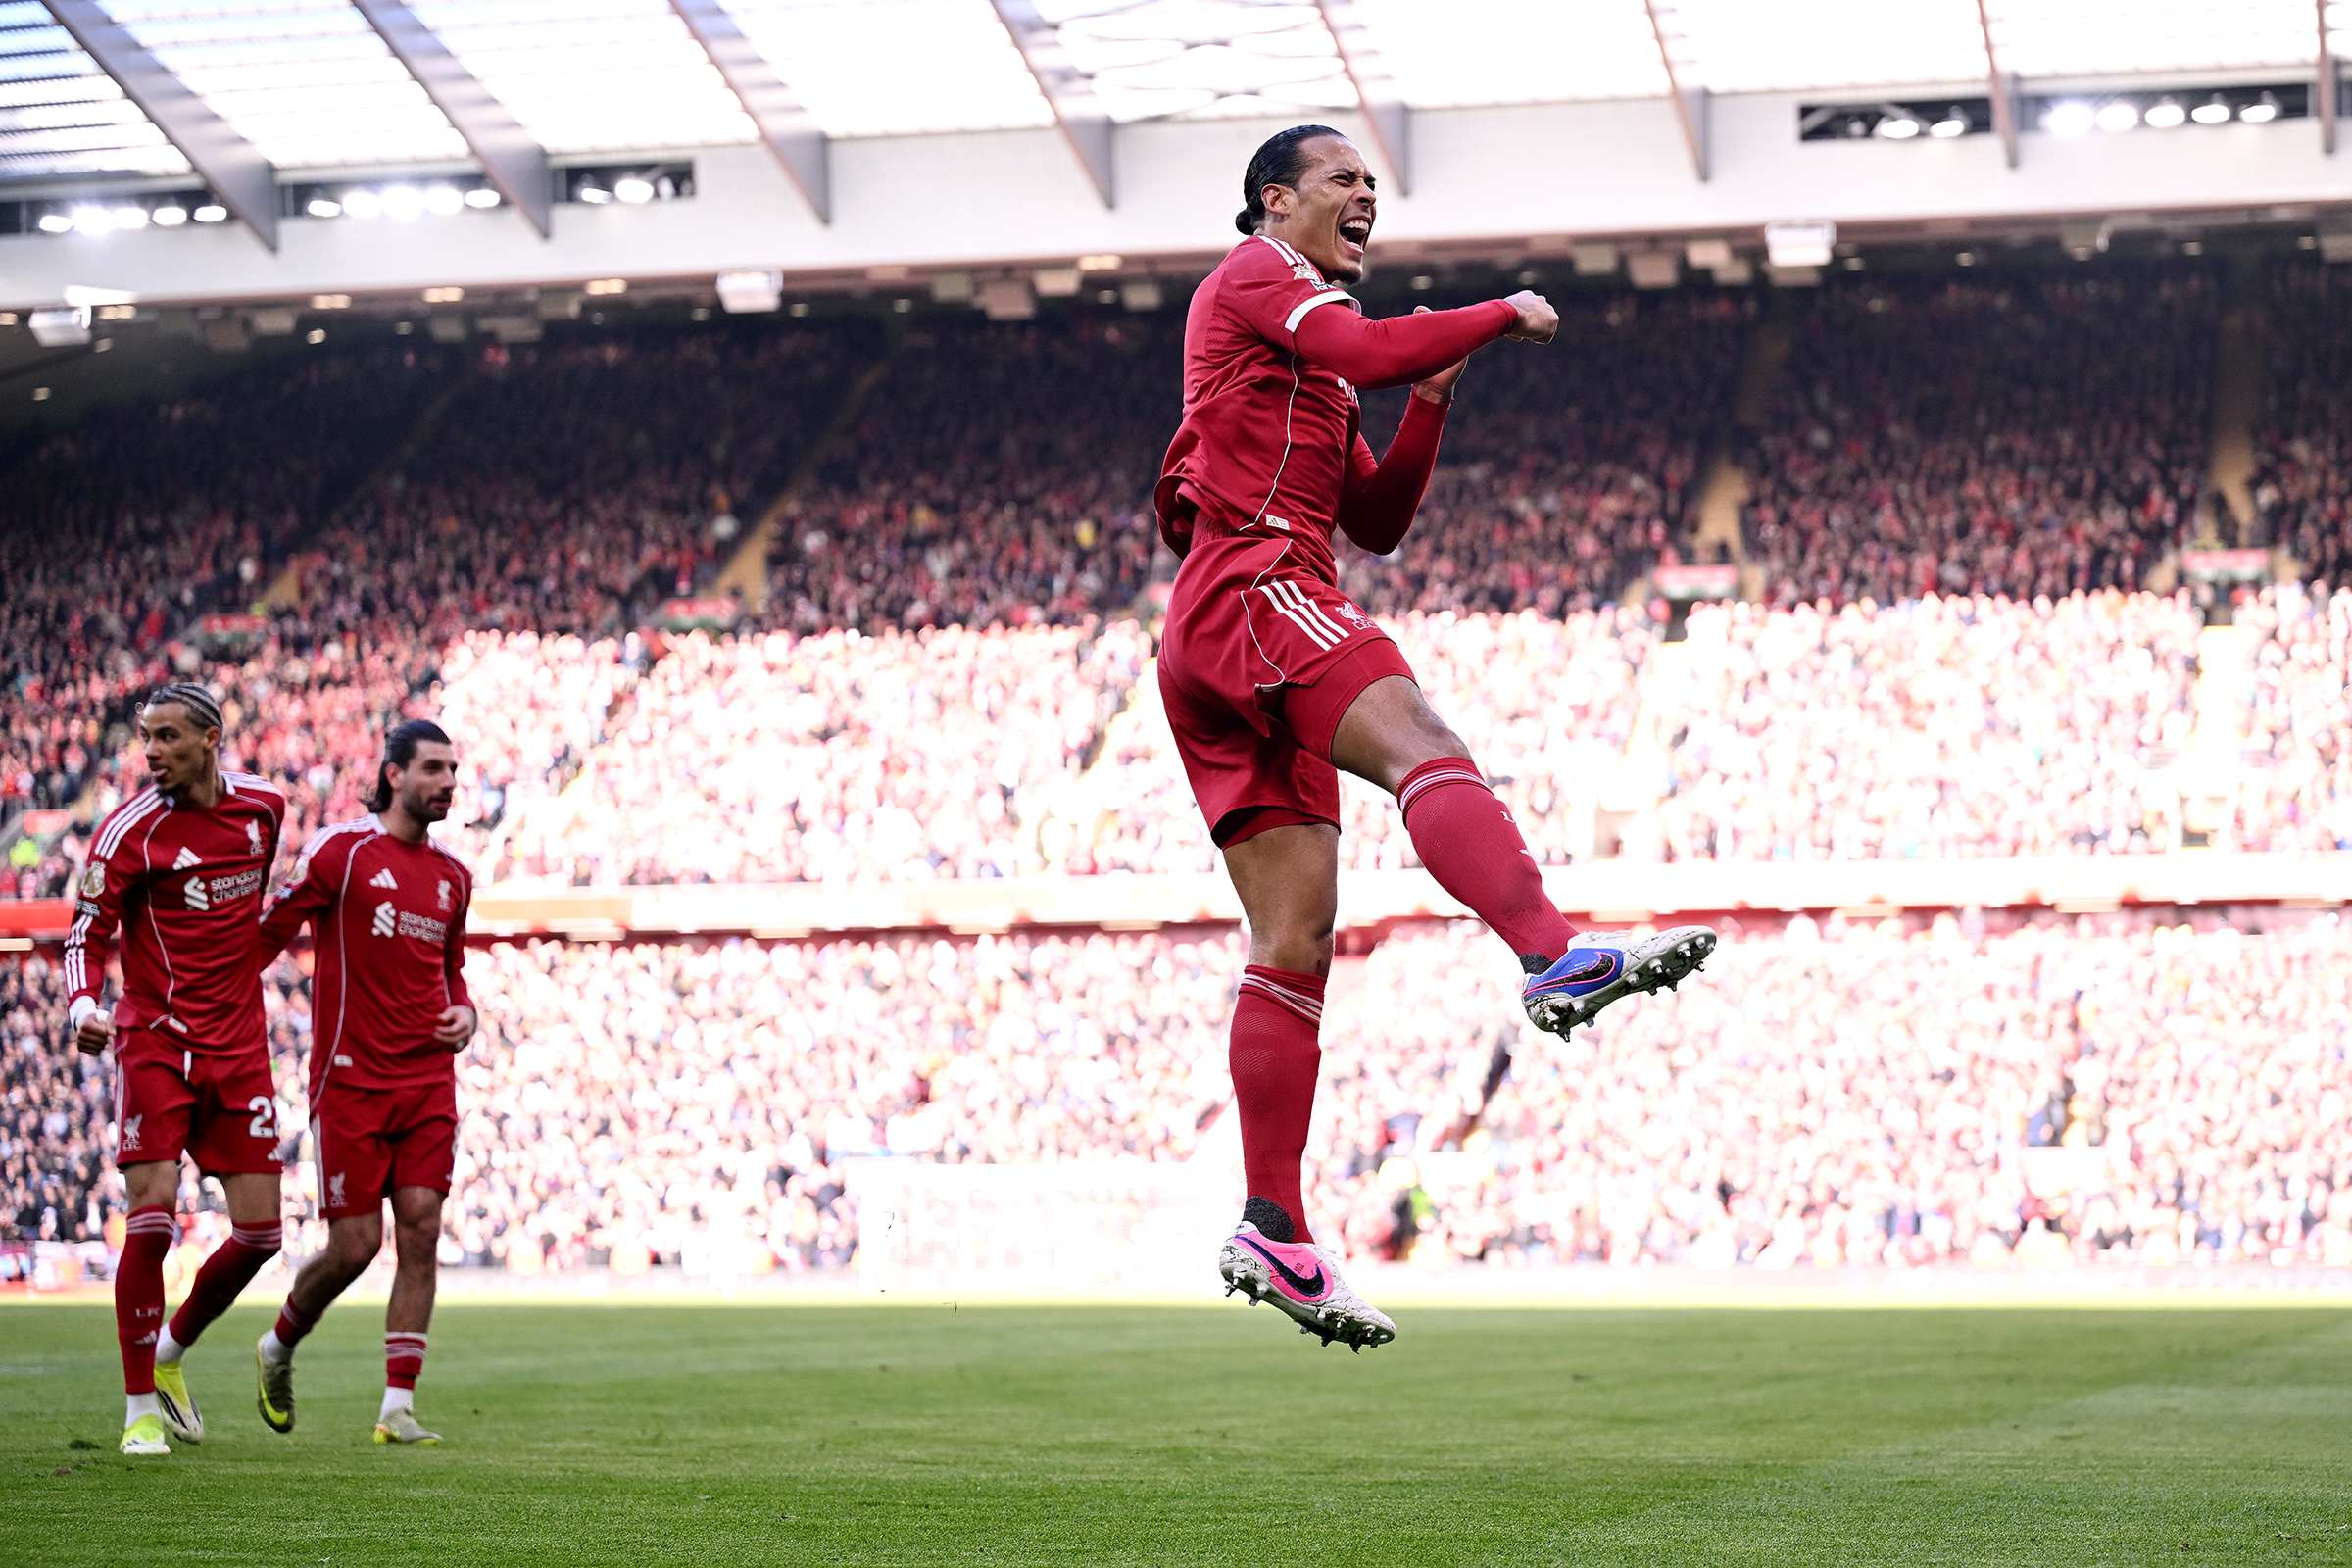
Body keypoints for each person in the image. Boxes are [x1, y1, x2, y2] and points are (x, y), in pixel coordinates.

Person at [1154, 126, 1716, 1348]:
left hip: (1225, 620)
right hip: (1255, 587)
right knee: (1423, 738)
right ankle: (1553, 954)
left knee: (1294, 937)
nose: (1366, 195)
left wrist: (1435, 404)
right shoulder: (1256, 276)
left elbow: (1380, 516)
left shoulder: (1304, 338)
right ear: (1275, 200)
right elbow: (1367, 341)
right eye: (1344, 178)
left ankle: (1273, 1227)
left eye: (1374, 182)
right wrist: (1498, 311)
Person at [64, 684, 288, 1454]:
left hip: (241, 1047)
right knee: (153, 1214)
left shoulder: (264, 808)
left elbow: (248, 913)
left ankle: (168, 1355)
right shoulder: (128, 831)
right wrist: (82, 1006)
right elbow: (85, 932)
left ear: (211, 738)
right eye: (143, 737)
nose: (150, 751)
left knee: (261, 1235)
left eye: (166, 736)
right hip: (156, 1040)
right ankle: (137, 1415)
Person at [252, 720, 476, 1444]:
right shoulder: (342, 854)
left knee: (422, 1226)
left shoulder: (453, 878)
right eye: (434, 769)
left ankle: (397, 1407)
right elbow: (269, 931)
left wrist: (465, 1014)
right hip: (350, 1080)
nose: (448, 782)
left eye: (453, 770)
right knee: (355, 1246)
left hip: (427, 1083)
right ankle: (278, 1344)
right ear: (394, 774)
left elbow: (453, 972)